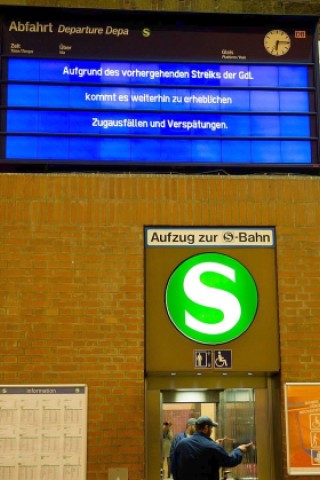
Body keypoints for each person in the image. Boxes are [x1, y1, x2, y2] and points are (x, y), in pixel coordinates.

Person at [172, 415, 252, 480]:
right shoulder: (212, 446)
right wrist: (239, 450)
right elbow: (229, 461)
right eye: (211, 428)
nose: (212, 431)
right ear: (206, 428)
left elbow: (174, 466)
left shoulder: (181, 444)